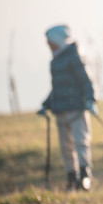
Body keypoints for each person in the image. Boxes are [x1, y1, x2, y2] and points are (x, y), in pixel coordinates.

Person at [38, 24, 97, 191]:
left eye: (49, 41)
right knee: (66, 147)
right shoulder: (55, 60)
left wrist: (91, 100)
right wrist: (46, 104)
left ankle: (85, 176)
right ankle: (71, 177)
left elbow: (85, 80)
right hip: (60, 109)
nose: (48, 45)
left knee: (81, 142)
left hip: (77, 108)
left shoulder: (74, 56)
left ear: (56, 40)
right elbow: (58, 87)